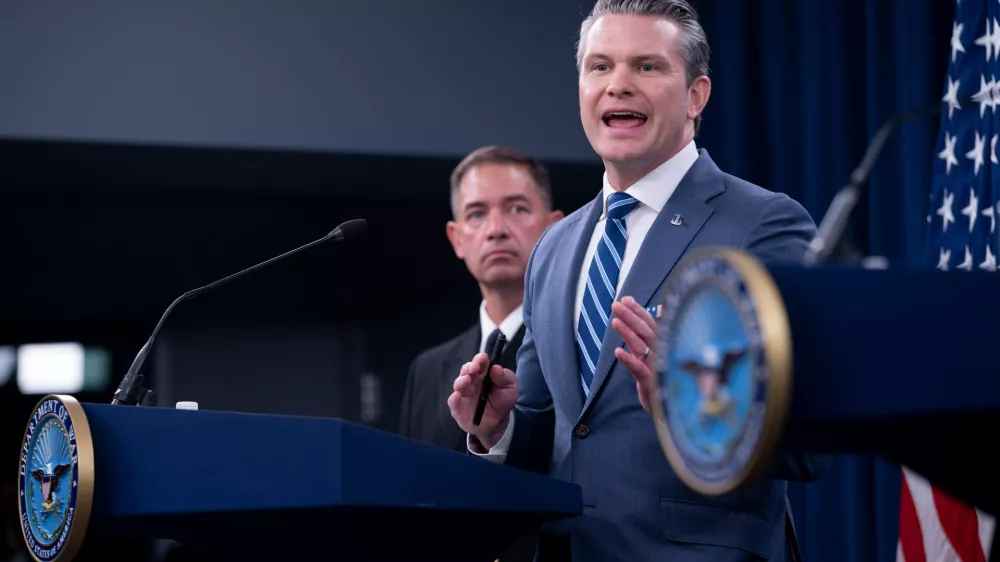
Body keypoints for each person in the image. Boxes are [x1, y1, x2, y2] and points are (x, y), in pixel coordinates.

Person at [447, 1, 830, 561]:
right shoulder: (553, 248)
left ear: (696, 95)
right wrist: (497, 428)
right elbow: (554, 432)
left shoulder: (763, 224)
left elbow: (810, 440)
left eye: (647, 67)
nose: (617, 85)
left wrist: (688, 402)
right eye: (600, 67)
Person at [398, 145, 563, 452]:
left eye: (517, 209)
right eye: (476, 214)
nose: (496, 230)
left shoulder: (578, 348)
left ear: (553, 228)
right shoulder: (426, 371)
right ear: (456, 239)